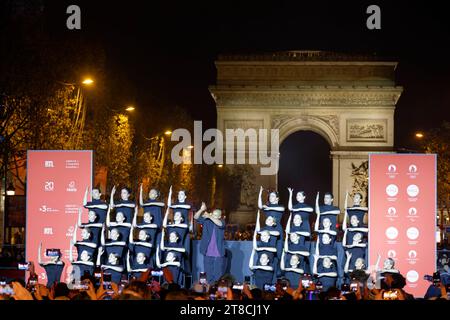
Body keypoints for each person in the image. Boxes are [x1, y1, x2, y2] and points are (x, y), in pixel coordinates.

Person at [194, 202, 226, 284]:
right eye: (213, 214)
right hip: (207, 251)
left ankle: (218, 291)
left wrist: (209, 216)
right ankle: (208, 290)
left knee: (218, 274)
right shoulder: (207, 221)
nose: (213, 216)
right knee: (208, 274)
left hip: (219, 252)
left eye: (215, 215)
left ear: (219, 216)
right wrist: (201, 209)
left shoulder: (222, 222)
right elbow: (196, 217)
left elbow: (219, 223)